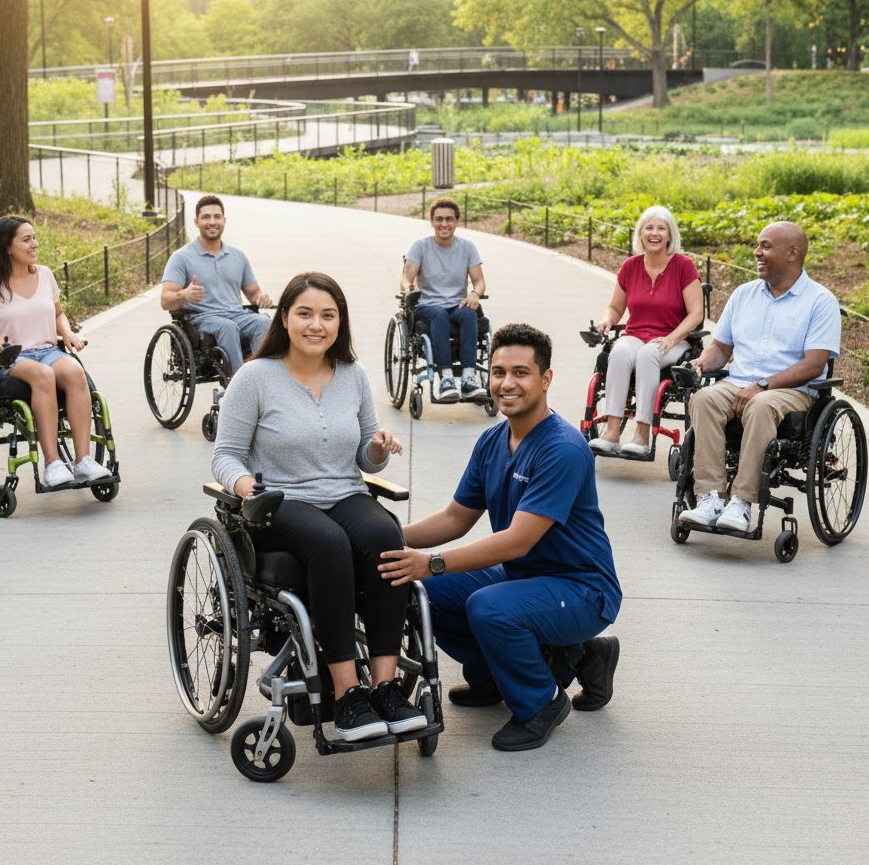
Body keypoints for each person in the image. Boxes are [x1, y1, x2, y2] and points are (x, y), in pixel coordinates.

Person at [378, 324, 622, 752]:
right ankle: (512, 671)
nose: (506, 383)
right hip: (522, 578)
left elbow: (517, 541)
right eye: (497, 372)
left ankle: (541, 702)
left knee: (488, 607)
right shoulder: (493, 440)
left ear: (545, 379)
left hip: (581, 588)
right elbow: (456, 517)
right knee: (417, 588)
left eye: (521, 373)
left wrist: (432, 560)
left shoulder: (561, 448)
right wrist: (383, 536)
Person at [211, 271, 427, 742]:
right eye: (305, 313)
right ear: (284, 318)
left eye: (328, 315)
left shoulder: (353, 376)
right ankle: (348, 694)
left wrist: (379, 447)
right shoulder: (255, 377)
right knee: (329, 544)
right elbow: (225, 455)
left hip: (345, 491)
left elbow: (362, 456)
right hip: (280, 501)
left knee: (386, 538)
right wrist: (248, 487)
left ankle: (386, 688)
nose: (317, 324)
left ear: (340, 322)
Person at [679, 221, 841, 533]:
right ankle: (711, 497)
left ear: (792, 253)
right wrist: (700, 363)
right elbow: (721, 348)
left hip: (792, 390)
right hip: (738, 383)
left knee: (762, 404)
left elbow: (813, 365)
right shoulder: (743, 295)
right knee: (705, 399)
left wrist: (763, 384)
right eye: (758, 245)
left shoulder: (820, 302)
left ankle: (741, 502)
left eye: (765, 246)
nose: (757, 252)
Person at [0, 215, 112, 489]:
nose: (34, 245)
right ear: (7, 246)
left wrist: (67, 333)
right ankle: (52, 463)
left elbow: (58, 314)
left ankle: (83, 460)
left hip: (48, 350)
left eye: (34, 238)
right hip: (9, 358)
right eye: (26, 240)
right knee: (42, 375)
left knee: (75, 371)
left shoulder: (44, 275)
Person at [591, 206, 703, 456]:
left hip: (673, 340)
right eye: (649, 228)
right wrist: (607, 320)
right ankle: (611, 430)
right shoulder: (630, 266)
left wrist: (673, 337)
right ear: (640, 234)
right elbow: (615, 307)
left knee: (648, 354)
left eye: (661, 228)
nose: (654, 233)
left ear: (669, 235)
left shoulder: (683, 266)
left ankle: (641, 433)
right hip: (636, 335)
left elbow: (696, 313)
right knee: (618, 352)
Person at [161, 194, 272, 381]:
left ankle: (260, 377)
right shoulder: (181, 257)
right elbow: (165, 300)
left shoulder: (238, 256)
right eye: (206, 217)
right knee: (227, 327)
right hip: (202, 319)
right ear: (196, 222)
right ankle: (238, 382)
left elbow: (254, 293)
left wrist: (262, 298)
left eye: (217, 217)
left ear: (224, 220)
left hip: (237, 315)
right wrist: (184, 295)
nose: (212, 222)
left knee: (265, 323)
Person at [401, 197, 487, 401]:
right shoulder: (420, 247)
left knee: (468, 314)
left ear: (457, 221)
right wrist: (408, 289)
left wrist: (474, 294)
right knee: (439, 314)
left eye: (449, 219)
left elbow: (479, 281)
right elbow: (406, 278)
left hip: (457, 304)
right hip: (428, 306)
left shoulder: (467, 247)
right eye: (439, 219)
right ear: (432, 222)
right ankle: (446, 378)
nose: (444, 224)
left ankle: (468, 378)